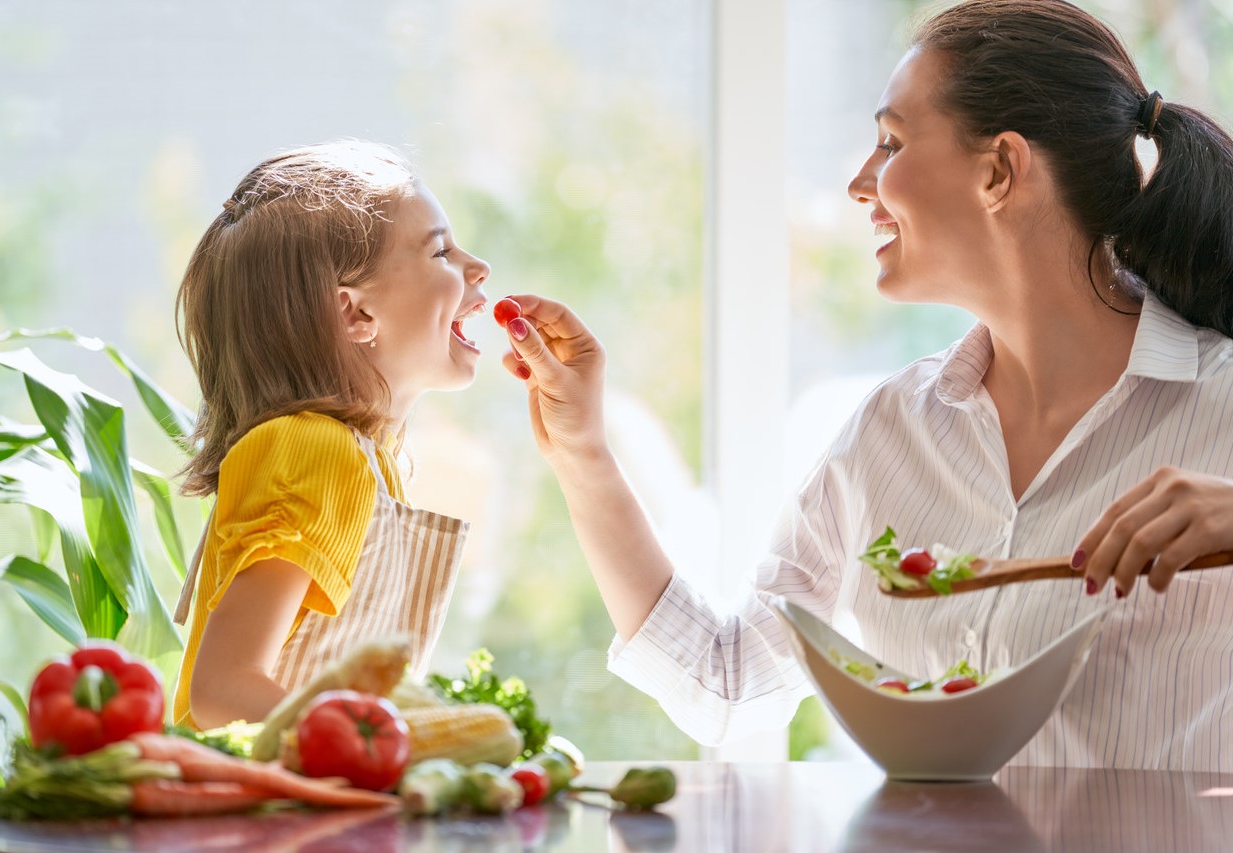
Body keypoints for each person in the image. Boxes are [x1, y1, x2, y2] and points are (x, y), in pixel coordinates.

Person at [498, 0, 1233, 771]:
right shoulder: (894, 431)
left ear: (998, 170)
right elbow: (725, 680)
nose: (858, 183)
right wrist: (582, 453)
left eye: (890, 142)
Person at [170, 140, 491, 729]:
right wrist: (389, 746)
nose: (477, 268)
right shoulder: (313, 451)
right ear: (355, 315)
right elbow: (221, 690)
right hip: (266, 818)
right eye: (440, 251)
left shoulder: (370, 464)